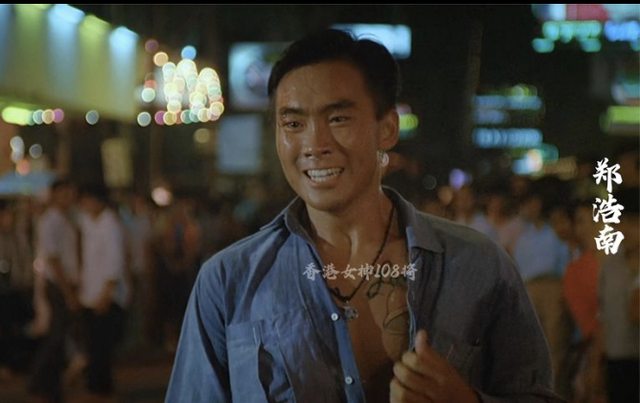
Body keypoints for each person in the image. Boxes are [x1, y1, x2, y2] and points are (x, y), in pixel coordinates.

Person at [166, 29, 561, 402]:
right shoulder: (229, 281)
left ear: (387, 128)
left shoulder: (478, 266)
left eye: (338, 118)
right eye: (293, 123)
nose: (314, 144)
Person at [27, 179, 80, 403]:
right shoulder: (50, 221)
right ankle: (38, 383)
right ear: (56, 194)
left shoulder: (65, 220)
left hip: (64, 284)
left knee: (59, 338)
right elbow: (53, 259)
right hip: (57, 285)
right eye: (66, 193)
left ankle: (51, 388)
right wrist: (67, 292)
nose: (70, 198)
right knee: (56, 337)